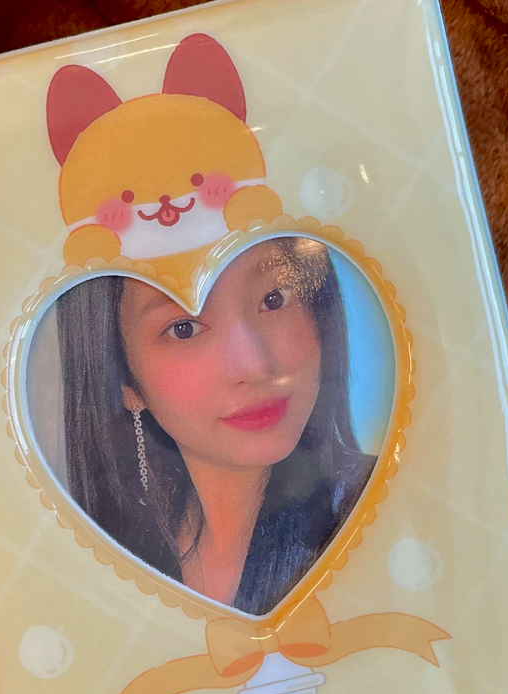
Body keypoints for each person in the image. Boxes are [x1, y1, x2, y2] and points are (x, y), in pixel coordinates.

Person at [55, 237, 375, 615]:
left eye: (275, 299)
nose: (255, 366)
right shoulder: (104, 559)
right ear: (125, 381)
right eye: (184, 329)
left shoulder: (381, 510)